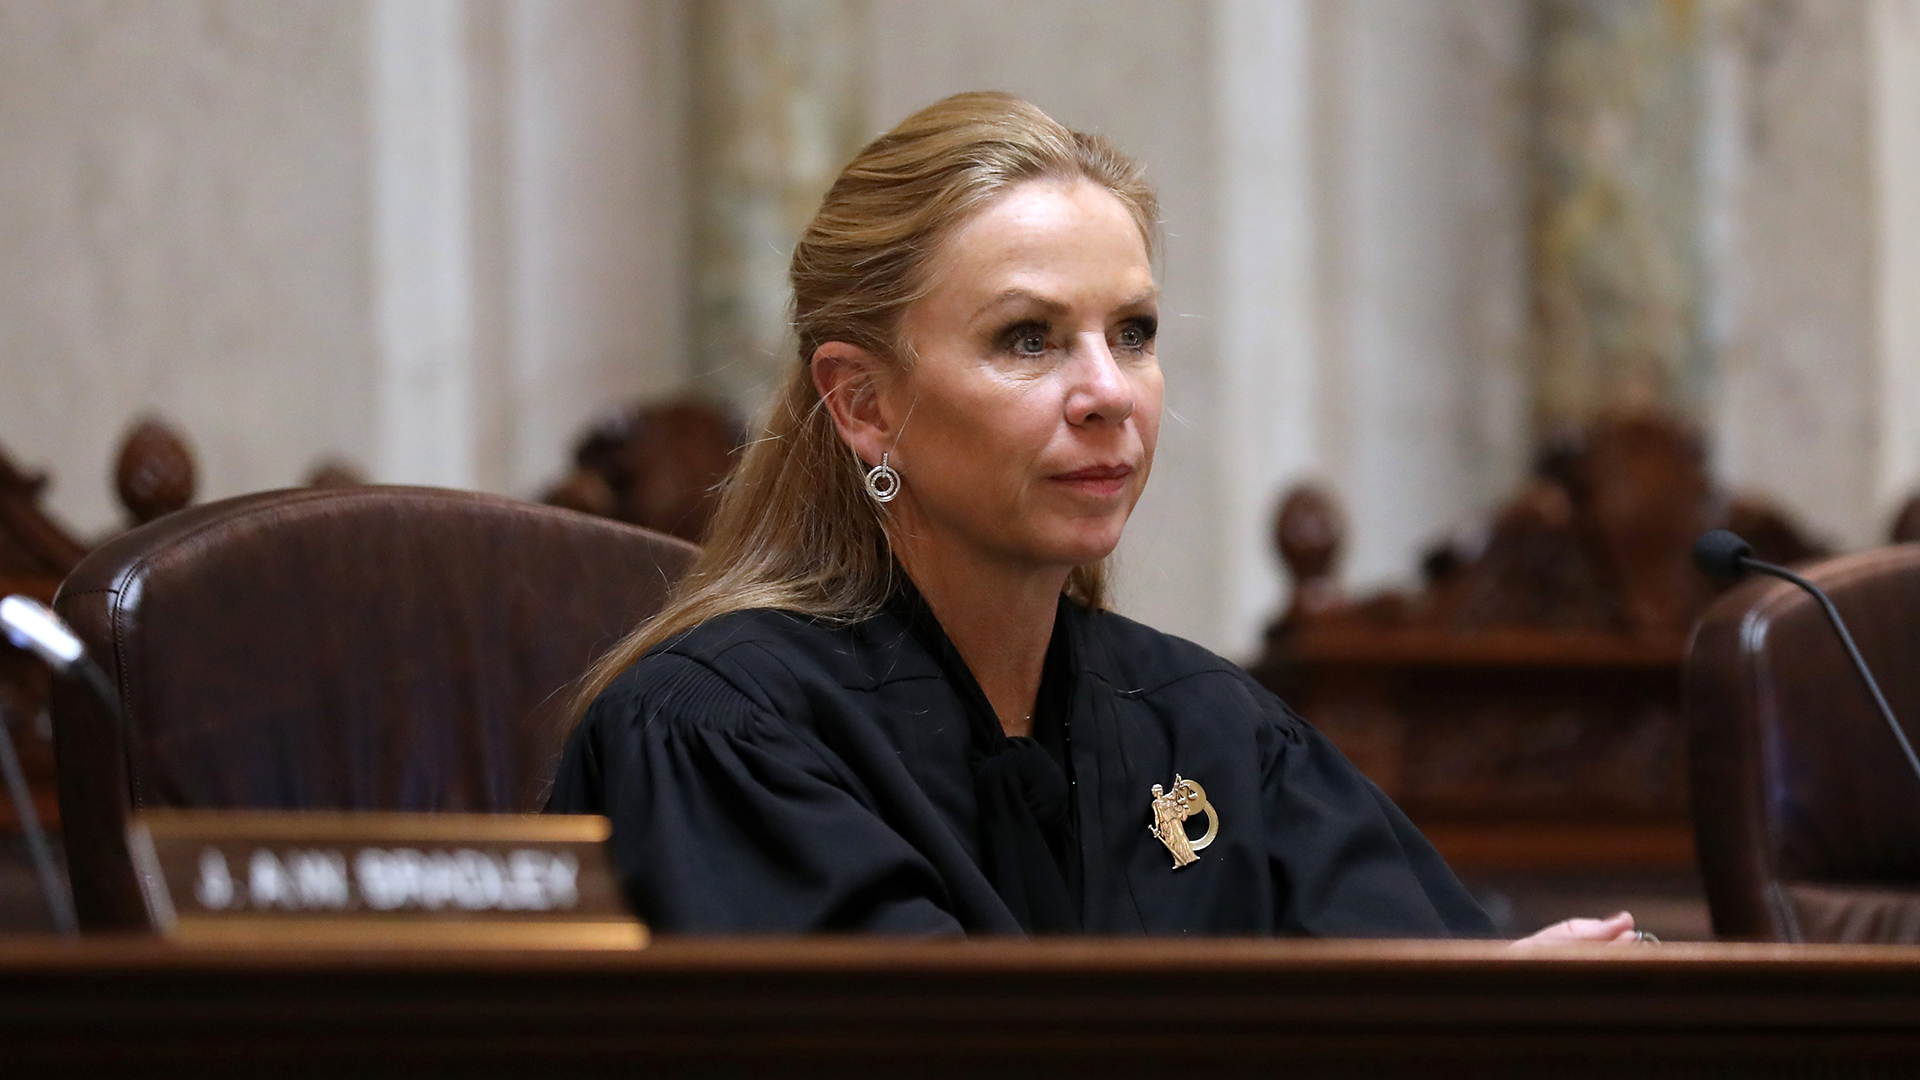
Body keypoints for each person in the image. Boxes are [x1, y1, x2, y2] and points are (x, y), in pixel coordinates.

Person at [548, 91, 1640, 944]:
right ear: (864, 404)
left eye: (1133, 332)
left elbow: (1444, 985)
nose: (1108, 391)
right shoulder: (718, 731)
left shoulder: (1209, 727)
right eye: (1028, 338)